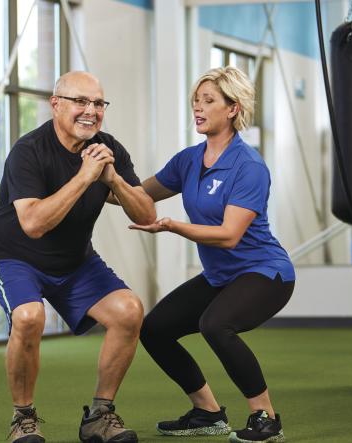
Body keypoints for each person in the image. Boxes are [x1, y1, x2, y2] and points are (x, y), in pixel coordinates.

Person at [0, 71, 156, 443]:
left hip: (74, 260)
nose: (90, 111)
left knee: (129, 311)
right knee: (29, 317)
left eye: (97, 103)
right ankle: (23, 420)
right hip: (14, 255)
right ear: (56, 104)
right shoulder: (28, 151)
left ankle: (100, 416)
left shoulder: (108, 148)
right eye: (80, 101)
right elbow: (33, 224)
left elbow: (146, 216)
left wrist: (113, 180)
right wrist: (84, 176)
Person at [131, 66, 295, 443]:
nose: (198, 109)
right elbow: (138, 196)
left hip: (265, 273)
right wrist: (99, 177)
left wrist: (172, 225)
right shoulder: (188, 159)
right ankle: (206, 411)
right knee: (154, 329)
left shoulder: (249, 166)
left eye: (209, 101)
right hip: (222, 276)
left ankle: (266, 418)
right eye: (196, 101)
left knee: (214, 324)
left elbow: (228, 235)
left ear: (233, 108)